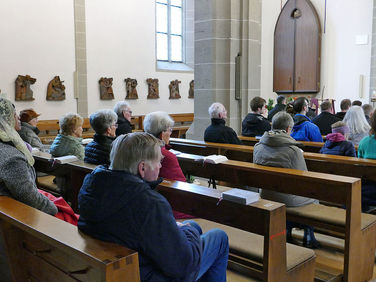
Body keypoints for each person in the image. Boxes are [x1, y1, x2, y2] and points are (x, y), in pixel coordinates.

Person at [78, 132, 229, 281]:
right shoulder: (148, 202)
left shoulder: (92, 185)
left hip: (116, 263)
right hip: (143, 274)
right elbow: (184, 268)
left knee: (194, 227)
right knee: (219, 237)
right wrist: (185, 229)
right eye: (158, 161)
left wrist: (186, 229)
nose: (160, 166)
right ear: (142, 168)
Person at [253, 111, 319, 248]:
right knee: (314, 195)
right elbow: (303, 179)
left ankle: (287, 231)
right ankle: (308, 235)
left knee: (288, 192)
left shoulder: (258, 147)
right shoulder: (293, 151)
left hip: (265, 194)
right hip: (287, 200)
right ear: (289, 129)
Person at [0, 98, 57, 215]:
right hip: (18, 214)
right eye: (15, 115)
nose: (19, 118)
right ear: (6, 120)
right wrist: (54, 209)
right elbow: (28, 196)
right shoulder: (11, 157)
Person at [143, 111, 186, 182]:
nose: (170, 133)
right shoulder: (167, 156)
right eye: (170, 130)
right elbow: (181, 183)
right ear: (162, 134)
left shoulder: (138, 149)